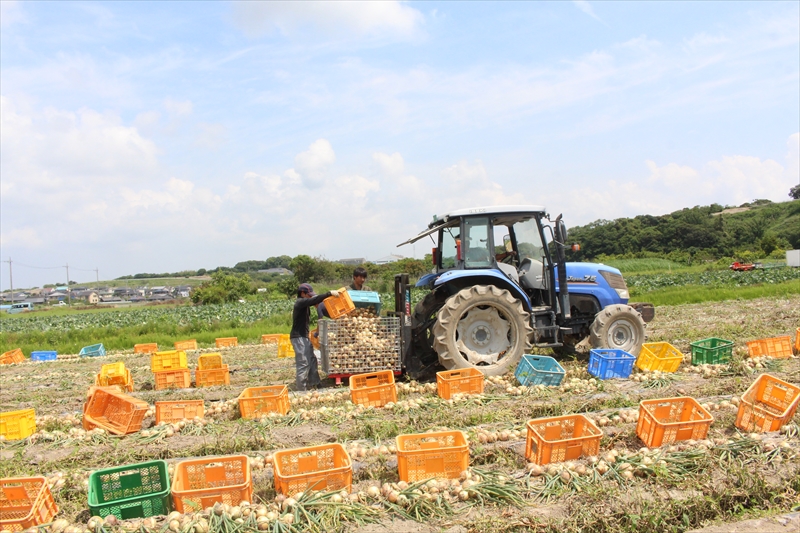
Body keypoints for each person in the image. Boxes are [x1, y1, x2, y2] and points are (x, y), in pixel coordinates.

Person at [291, 283, 339, 391]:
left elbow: (313, 301)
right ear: (302, 293)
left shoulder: (305, 305)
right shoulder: (300, 302)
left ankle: (316, 383)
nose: (310, 297)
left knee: (312, 360)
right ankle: (301, 390)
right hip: (298, 337)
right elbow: (313, 300)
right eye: (309, 295)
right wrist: (329, 293)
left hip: (304, 336)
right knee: (303, 363)